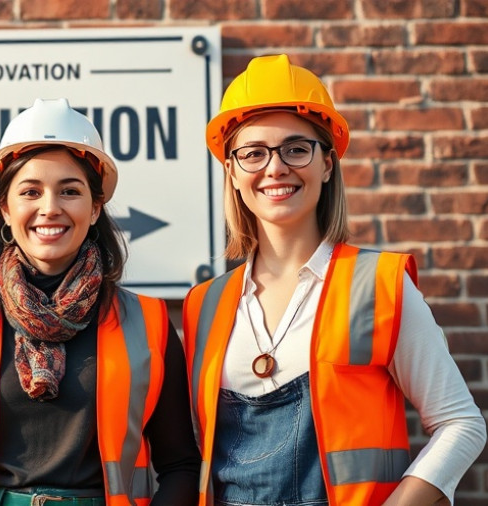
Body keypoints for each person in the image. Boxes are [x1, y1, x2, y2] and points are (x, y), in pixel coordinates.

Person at [183, 54, 486, 505]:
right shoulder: (203, 305)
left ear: (327, 163)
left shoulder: (379, 284)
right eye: (252, 153)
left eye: (296, 148)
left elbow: (461, 423)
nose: (275, 167)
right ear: (232, 171)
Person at [0, 98, 201, 506]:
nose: (50, 208)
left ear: (95, 207)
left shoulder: (149, 322)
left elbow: (179, 466)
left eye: (70, 191)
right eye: (30, 191)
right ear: (5, 208)